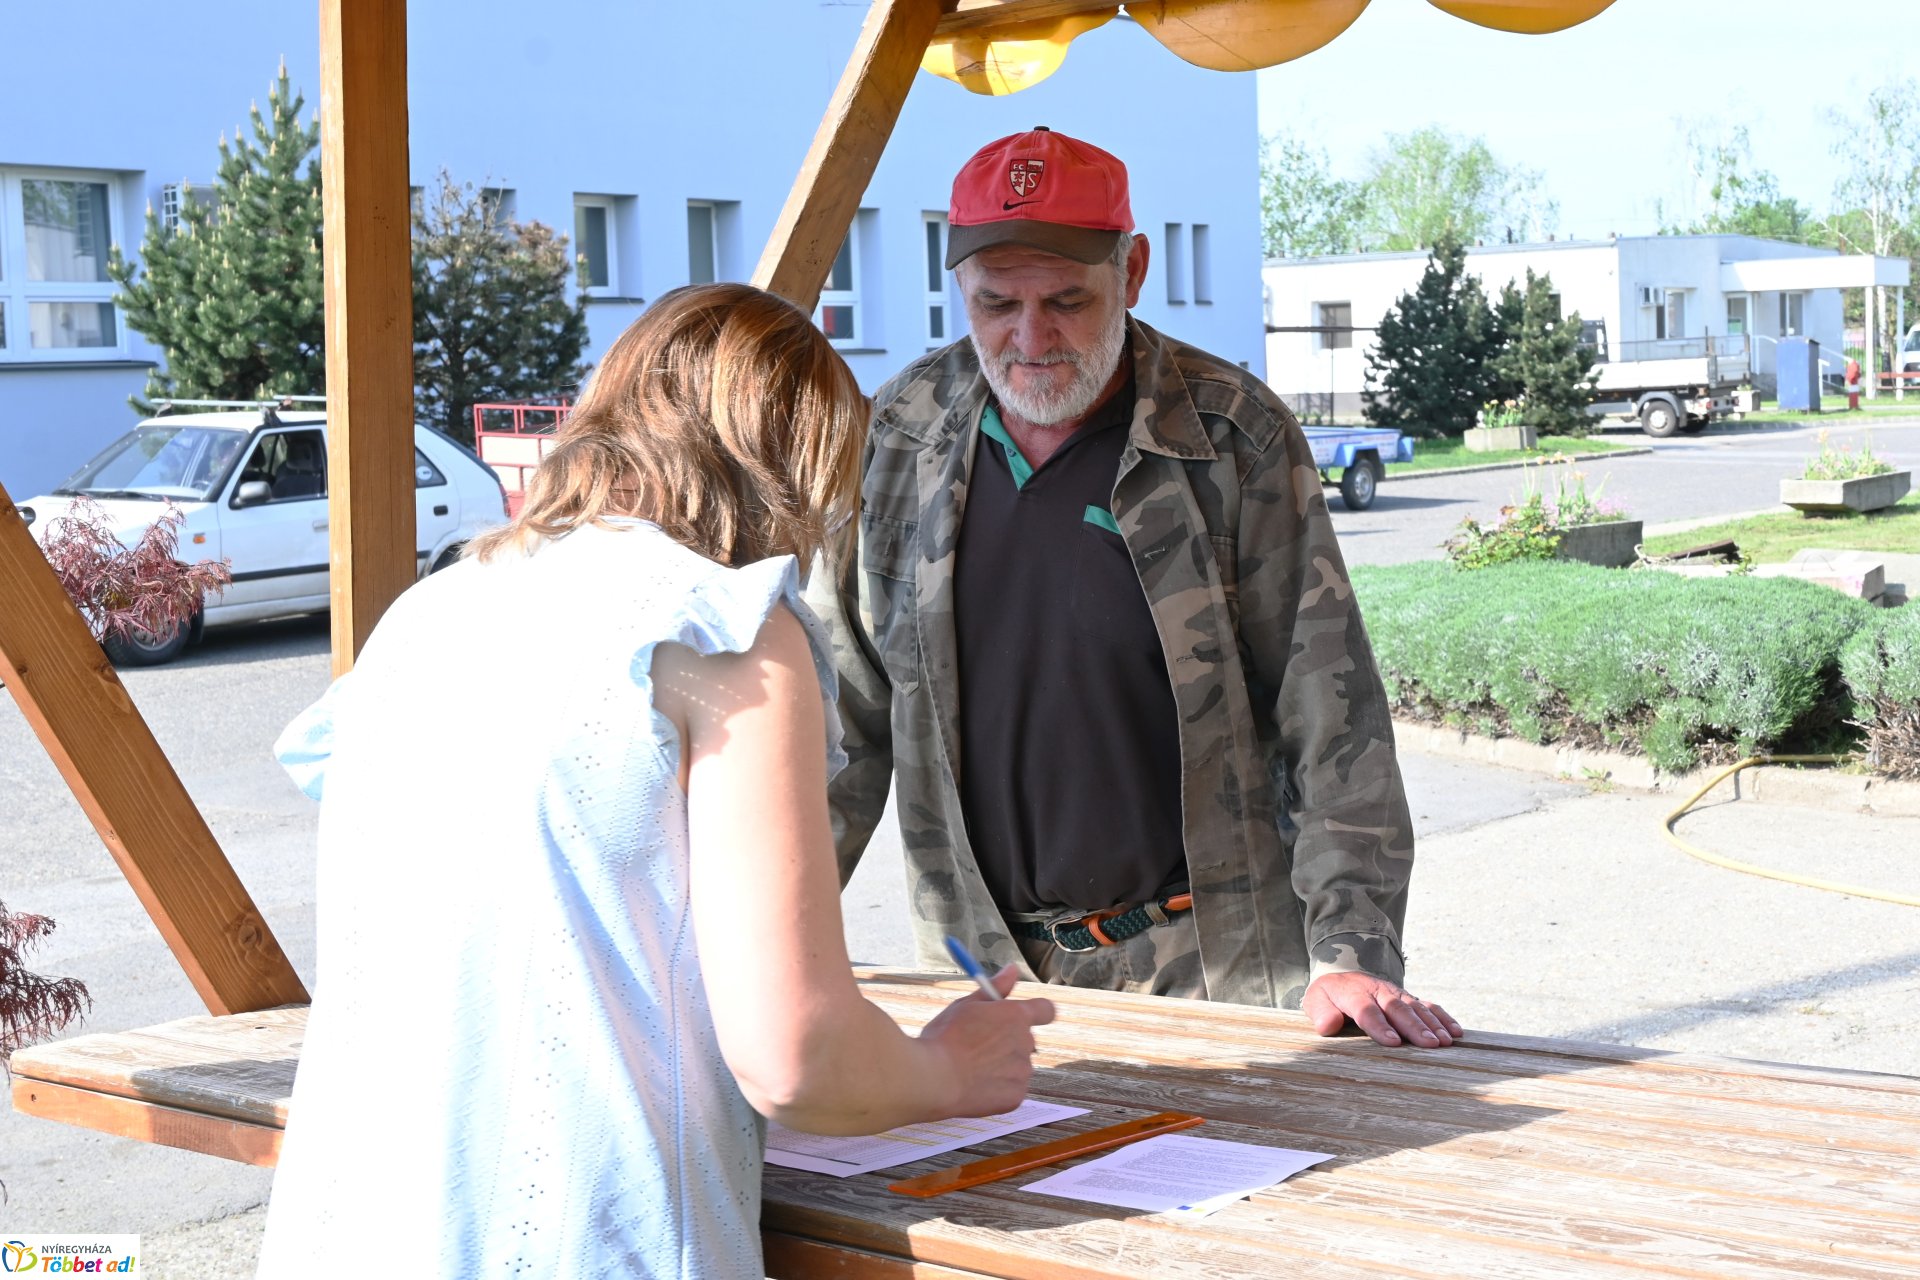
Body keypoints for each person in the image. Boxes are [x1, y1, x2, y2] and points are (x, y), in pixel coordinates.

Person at [257, 283, 1055, 1278]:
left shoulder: (423, 619)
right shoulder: (723, 632)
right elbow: (792, 1052)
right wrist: (946, 1068)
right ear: (794, 465)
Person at [809, 128, 1461, 1050]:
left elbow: (1332, 710)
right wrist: (746, 950)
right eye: (996, 304)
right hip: (979, 972)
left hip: (1216, 965)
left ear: (1134, 270)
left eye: (1067, 300)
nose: (1030, 339)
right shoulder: (894, 440)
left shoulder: (1234, 438)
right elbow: (837, 730)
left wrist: (1351, 947)